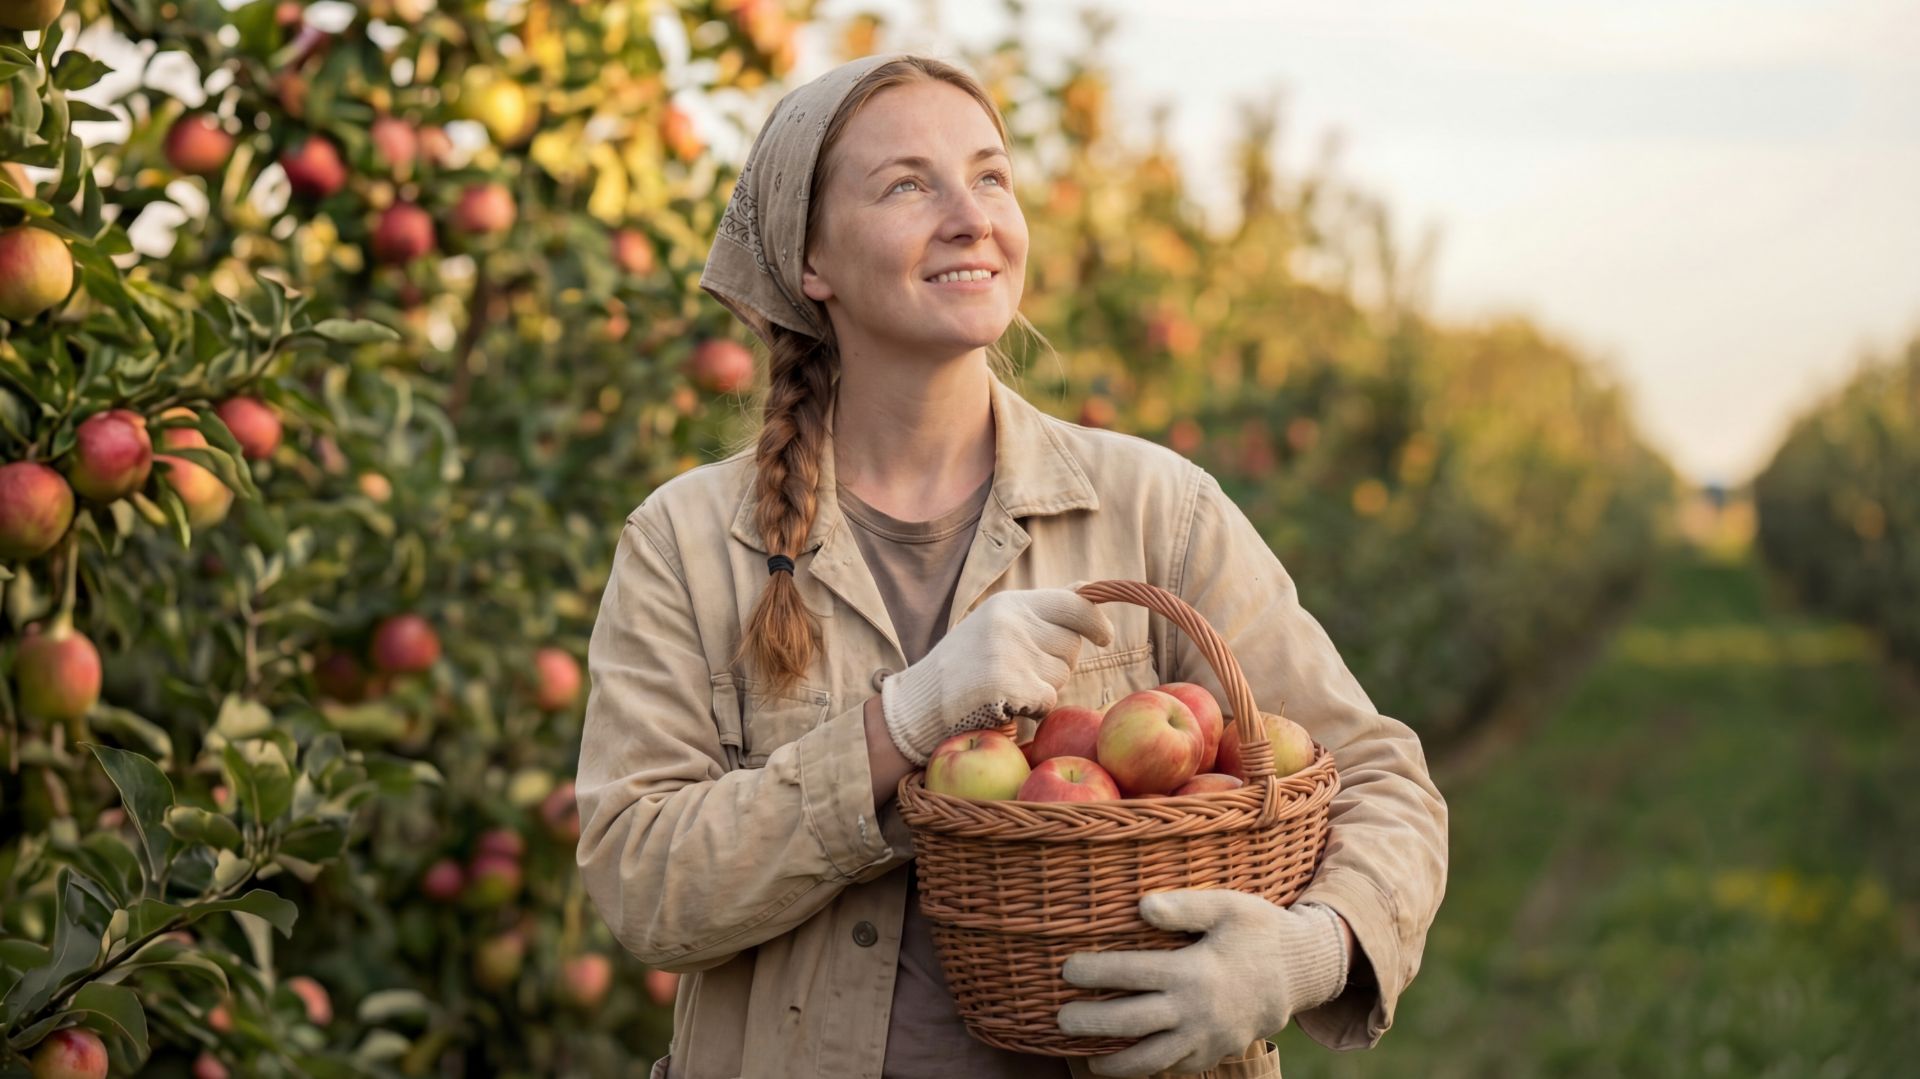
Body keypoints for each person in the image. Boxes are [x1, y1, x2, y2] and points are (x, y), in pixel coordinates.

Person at [574, 52, 1448, 1079]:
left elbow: (1382, 780)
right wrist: (903, 724)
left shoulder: (1153, 507)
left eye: (990, 176)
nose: (969, 214)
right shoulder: (686, 543)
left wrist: (1301, 954)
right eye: (907, 184)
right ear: (811, 260)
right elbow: (643, 883)